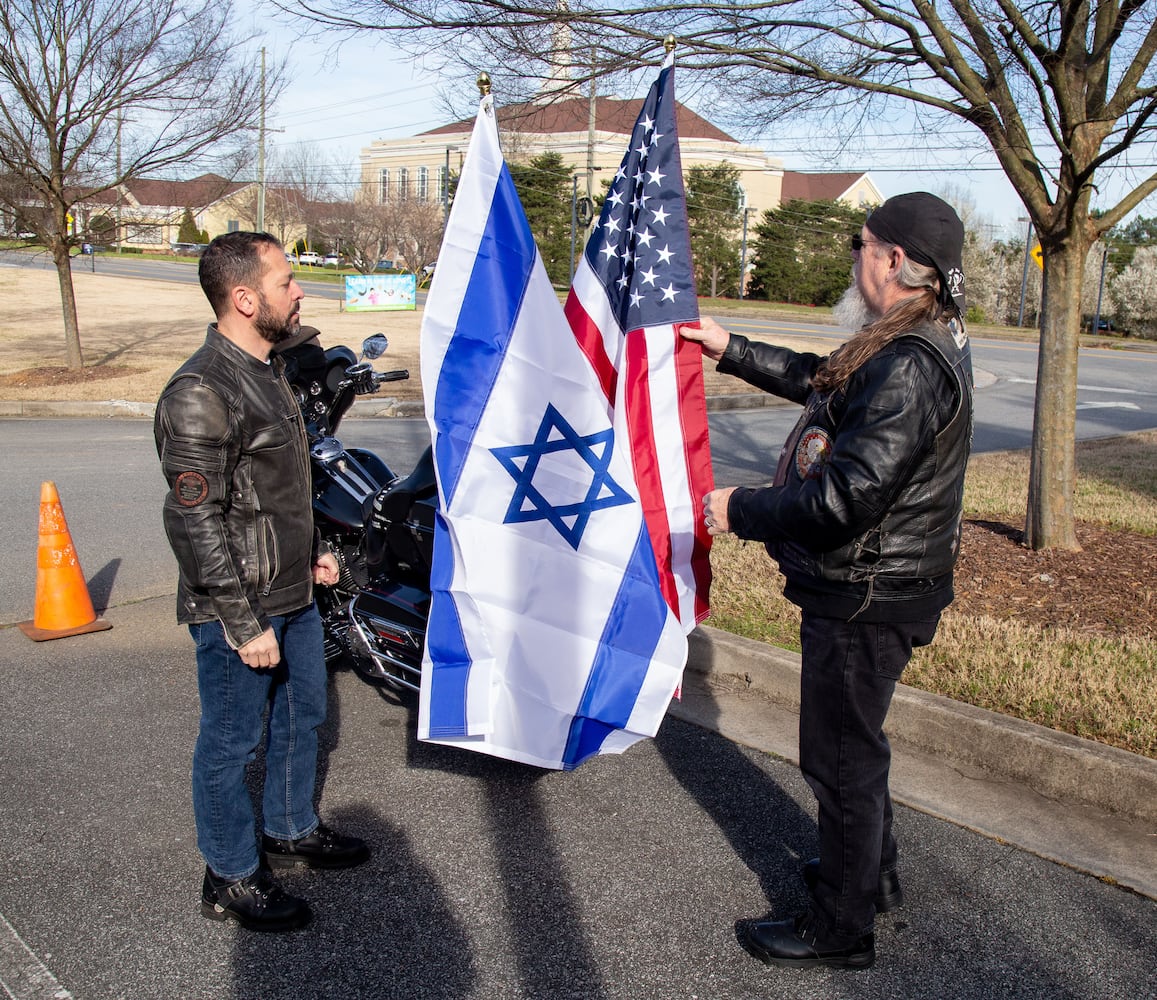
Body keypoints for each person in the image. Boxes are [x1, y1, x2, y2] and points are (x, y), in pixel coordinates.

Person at [683, 192, 973, 970]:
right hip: (878, 588)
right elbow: (824, 380)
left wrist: (736, 508)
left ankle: (840, 931)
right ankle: (866, 876)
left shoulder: (908, 364)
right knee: (858, 752)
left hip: (866, 596)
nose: (854, 255)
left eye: (861, 243)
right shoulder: (906, 339)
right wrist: (728, 346)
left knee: (839, 759)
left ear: (893, 262)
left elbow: (846, 496)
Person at [154, 231, 370, 933]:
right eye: (285, 282)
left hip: (293, 591)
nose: (298, 291)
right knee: (230, 742)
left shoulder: (270, 369)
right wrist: (240, 624)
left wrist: (313, 555)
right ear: (244, 298)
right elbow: (196, 520)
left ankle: (288, 829)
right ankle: (230, 875)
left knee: (304, 717)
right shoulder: (200, 390)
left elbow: (274, 490)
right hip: (239, 605)